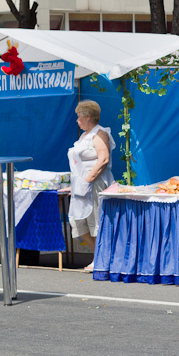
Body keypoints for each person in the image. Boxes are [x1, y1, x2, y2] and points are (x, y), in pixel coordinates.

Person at [67, 100, 116, 271]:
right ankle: (99, 255)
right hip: (81, 185)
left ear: (87, 117)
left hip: (94, 184)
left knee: (95, 220)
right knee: (77, 221)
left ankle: (100, 259)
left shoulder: (100, 134)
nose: (77, 120)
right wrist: (76, 185)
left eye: (79, 117)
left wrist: (87, 180)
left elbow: (103, 159)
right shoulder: (84, 136)